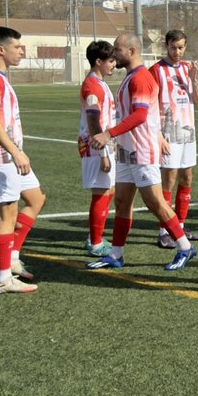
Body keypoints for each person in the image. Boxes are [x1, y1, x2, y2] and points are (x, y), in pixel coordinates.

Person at [89, 32, 196, 271]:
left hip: (142, 150)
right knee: (122, 201)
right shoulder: (131, 77)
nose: (114, 54)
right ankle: (116, 254)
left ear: (132, 51)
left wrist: (108, 134)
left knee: (155, 202)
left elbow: (139, 115)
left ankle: (185, 247)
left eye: (118, 49)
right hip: (127, 150)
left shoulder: (141, 78)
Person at [0, 25, 46, 295]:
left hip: (9, 155)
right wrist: (16, 152)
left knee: (36, 199)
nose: (22, 51)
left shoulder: (0, 77)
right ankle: (2, 279)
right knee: (7, 214)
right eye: (17, 47)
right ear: (0, 49)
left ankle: (12, 256)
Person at [154, 30, 198, 247]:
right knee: (169, 181)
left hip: (188, 132)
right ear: (166, 46)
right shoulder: (155, 70)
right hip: (168, 133)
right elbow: (150, 105)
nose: (177, 52)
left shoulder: (187, 69)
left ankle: (180, 226)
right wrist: (158, 135)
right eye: (173, 47)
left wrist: (194, 81)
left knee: (187, 178)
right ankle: (164, 230)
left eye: (181, 47)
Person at [78, 39, 119, 259]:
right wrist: (103, 153)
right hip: (95, 147)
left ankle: (96, 236)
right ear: (98, 61)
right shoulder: (92, 86)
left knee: (106, 191)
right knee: (101, 193)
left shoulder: (99, 83)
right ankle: (95, 243)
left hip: (102, 145)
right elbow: (94, 122)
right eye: (110, 61)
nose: (114, 64)